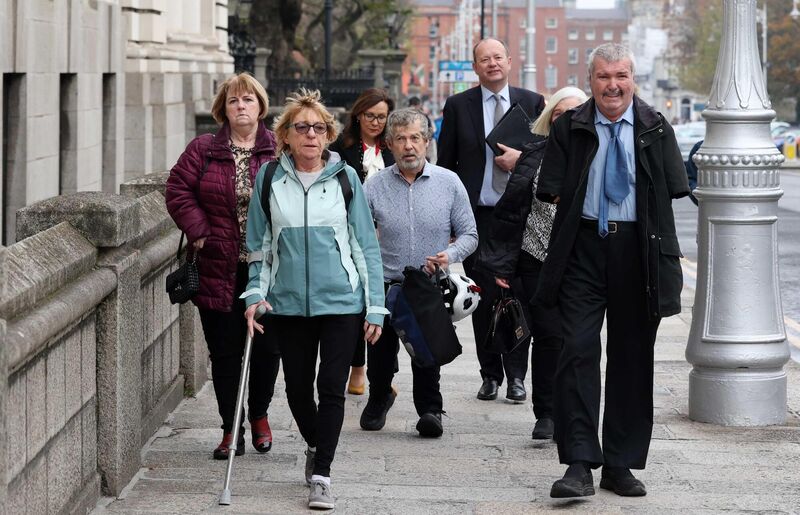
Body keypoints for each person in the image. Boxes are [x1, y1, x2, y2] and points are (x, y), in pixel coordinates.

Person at [534, 43, 689, 498]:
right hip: (583, 248)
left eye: (621, 75)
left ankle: (620, 464)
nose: (613, 85)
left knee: (632, 357)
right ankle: (579, 463)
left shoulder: (655, 126)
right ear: (591, 81)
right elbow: (551, 189)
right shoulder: (571, 126)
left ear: (633, 79)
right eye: (604, 76)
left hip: (637, 251)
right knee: (577, 351)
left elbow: (672, 188)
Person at [242, 89, 387, 510]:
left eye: (318, 128)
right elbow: (259, 247)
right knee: (297, 391)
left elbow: (365, 246)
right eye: (301, 127)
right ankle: (316, 444)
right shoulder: (268, 179)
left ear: (328, 135)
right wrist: (254, 294)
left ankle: (322, 474)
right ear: (285, 135)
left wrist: (375, 305)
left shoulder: (346, 178)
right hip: (287, 304)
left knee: (332, 389)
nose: (310, 135)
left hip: (341, 301)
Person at [165, 73, 281, 460]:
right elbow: (177, 189)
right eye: (233, 101)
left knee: (267, 350)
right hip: (218, 266)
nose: (241, 106)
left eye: (248, 100)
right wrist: (198, 229)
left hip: (268, 269)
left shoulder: (279, 148)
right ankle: (232, 428)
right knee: (225, 353)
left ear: (260, 107)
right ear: (223, 109)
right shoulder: (203, 149)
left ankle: (260, 414)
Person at [475, 86, 589, 441]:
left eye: (574, 114)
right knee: (544, 336)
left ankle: (569, 411)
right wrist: (503, 266)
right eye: (559, 114)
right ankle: (547, 414)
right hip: (533, 258)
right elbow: (511, 212)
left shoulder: (595, 156)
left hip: (578, 262)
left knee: (571, 340)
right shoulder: (534, 154)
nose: (566, 121)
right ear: (549, 119)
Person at [437, 37, 545, 404]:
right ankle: (490, 375)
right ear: (475, 67)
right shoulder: (458, 105)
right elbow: (446, 165)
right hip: (477, 216)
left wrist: (521, 160)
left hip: (520, 217)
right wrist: (449, 220)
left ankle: (517, 377)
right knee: (482, 296)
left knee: (518, 295)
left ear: (510, 61)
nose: (493, 63)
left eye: (498, 57)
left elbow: (546, 157)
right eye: (485, 59)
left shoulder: (532, 102)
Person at [360, 108, 478, 437]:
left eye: (415, 138)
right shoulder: (374, 186)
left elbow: (470, 234)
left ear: (427, 141)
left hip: (428, 286)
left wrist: (449, 255)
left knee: (427, 354)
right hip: (386, 285)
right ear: (389, 145)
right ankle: (379, 396)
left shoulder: (449, 183)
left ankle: (430, 410)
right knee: (379, 355)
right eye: (400, 139)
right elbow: (359, 236)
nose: (408, 146)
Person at [329, 88, 395, 395]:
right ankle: (357, 367)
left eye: (382, 117)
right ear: (358, 115)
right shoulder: (340, 148)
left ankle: (383, 373)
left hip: (388, 238)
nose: (376, 122)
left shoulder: (392, 148)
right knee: (357, 304)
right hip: (350, 234)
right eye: (371, 115)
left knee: (384, 304)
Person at [407, 96, 438, 164]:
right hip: (421, 141)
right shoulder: (423, 115)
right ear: (418, 105)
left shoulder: (404, 115)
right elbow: (431, 130)